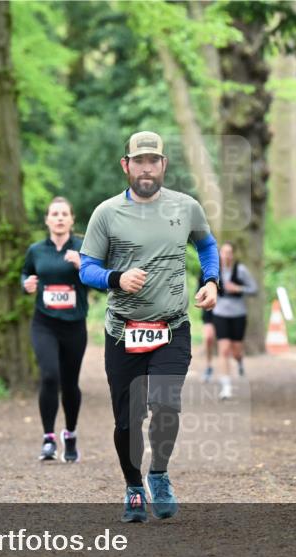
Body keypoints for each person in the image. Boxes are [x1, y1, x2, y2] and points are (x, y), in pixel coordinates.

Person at [80, 131, 220, 523]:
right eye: (138, 161)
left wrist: (211, 281)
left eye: (153, 161)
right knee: (128, 419)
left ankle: (158, 474)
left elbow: (207, 246)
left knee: (166, 406)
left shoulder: (186, 206)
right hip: (123, 331)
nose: (146, 168)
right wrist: (115, 279)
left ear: (163, 165)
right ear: (126, 165)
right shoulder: (106, 213)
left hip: (172, 328)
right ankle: (133, 486)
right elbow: (87, 267)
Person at [21, 196, 89, 463]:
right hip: (44, 323)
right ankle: (48, 438)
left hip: (74, 324)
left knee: (70, 384)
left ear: (72, 219)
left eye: (64, 214)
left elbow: (102, 282)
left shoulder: (83, 248)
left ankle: (70, 434)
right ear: (47, 220)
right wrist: (25, 283)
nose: (59, 218)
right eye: (55, 214)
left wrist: (82, 265)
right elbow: (25, 273)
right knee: (50, 376)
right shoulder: (36, 250)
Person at [211, 241, 258, 400]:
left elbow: (254, 289)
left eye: (229, 252)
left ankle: (239, 362)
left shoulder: (241, 270)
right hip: (220, 314)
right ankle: (226, 388)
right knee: (224, 350)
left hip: (238, 314)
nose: (226, 255)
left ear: (233, 254)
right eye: (223, 252)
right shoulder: (214, 271)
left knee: (236, 350)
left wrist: (239, 289)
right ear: (219, 254)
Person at [199, 269, 217, 383]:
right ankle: (208, 367)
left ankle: (238, 362)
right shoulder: (204, 271)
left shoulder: (228, 272)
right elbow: (199, 290)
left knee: (233, 346)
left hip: (227, 311)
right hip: (210, 311)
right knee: (208, 338)